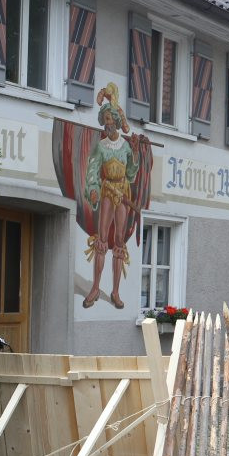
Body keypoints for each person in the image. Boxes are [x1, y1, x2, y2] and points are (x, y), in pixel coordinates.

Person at [82, 98, 141, 309]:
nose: (106, 123)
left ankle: (115, 291)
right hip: (107, 192)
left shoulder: (124, 146)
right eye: (104, 119)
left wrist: (134, 152)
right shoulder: (100, 147)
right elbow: (92, 171)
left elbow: (132, 174)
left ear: (116, 121)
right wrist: (94, 191)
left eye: (109, 119)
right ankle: (96, 287)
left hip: (122, 192)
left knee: (118, 240)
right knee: (102, 238)